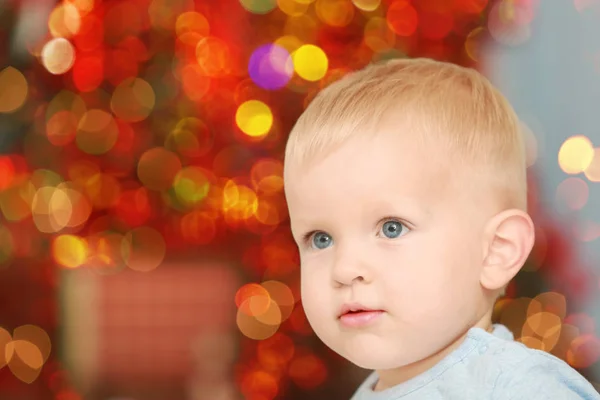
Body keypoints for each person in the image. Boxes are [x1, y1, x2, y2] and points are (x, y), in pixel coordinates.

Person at [282, 58, 600, 399]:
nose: (344, 269)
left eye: (392, 228)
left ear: (496, 251)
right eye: (321, 239)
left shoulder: (518, 388)